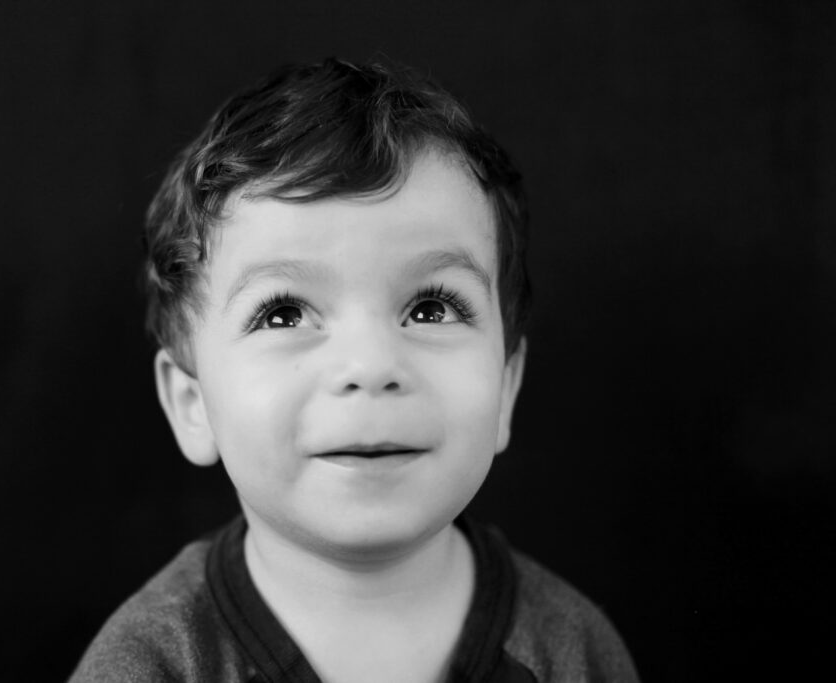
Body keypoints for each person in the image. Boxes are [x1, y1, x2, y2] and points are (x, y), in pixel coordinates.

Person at [69, 57, 639, 682]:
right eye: (284, 314)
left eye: (431, 307)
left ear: (505, 386)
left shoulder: (574, 651)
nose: (370, 367)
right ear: (192, 404)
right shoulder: (150, 665)